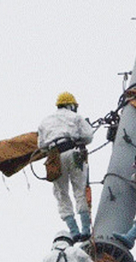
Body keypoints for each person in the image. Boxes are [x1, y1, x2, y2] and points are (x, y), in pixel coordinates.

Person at [38, 92, 95, 241]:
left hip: (55, 157)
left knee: (61, 193)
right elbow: (88, 136)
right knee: (80, 189)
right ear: (71, 105)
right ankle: (85, 229)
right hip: (74, 153)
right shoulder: (75, 117)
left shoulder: (45, 122)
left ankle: (74, 231)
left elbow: (41, 145)